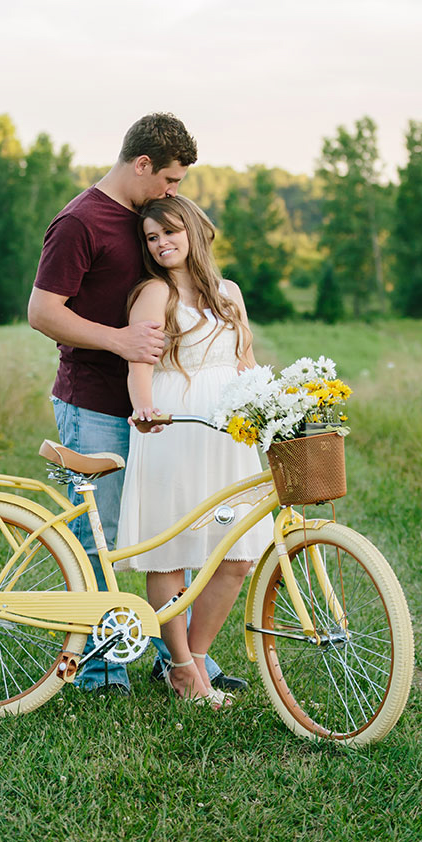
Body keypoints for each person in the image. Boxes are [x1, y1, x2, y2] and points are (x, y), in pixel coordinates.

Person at [28, 114, 241, 696]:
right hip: (95, 401)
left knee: (170, 531)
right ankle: (98, 667)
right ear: (142, 164)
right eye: (170, 180)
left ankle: (175, 657)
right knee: (106, 536)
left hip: (157, 406)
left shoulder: (154, 220)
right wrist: (118, 339)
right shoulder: (80, 221)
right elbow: (42, 312)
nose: (176, 192)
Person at [115, 196, 270, 703]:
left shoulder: (229, 294)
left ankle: (197, 658)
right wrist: (143, 408)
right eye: (152, 238)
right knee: (171, 555)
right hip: (174, 429)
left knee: (237, 554)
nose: (161, 244)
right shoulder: (153, 294)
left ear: (195, 232)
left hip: (227, 435)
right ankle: (180, 667)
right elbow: (139, 368)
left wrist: (275, 409)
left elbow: (246, 362)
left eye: (170, 232)